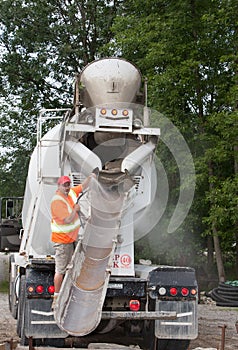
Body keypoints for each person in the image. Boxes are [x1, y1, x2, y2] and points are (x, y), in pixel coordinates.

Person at [50, 174, 95, 309]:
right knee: (61, 269)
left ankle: (71, 294)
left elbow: (83, 186)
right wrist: (75, 210)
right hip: (62, 241)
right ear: (58, 186)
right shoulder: (57, 201)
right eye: (64, 185)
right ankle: (57, 298)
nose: (67, 187)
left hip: (72, 239)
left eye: (68, 184)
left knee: (73, 267)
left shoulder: (71, 193)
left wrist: (91, 176)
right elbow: (68, 220)